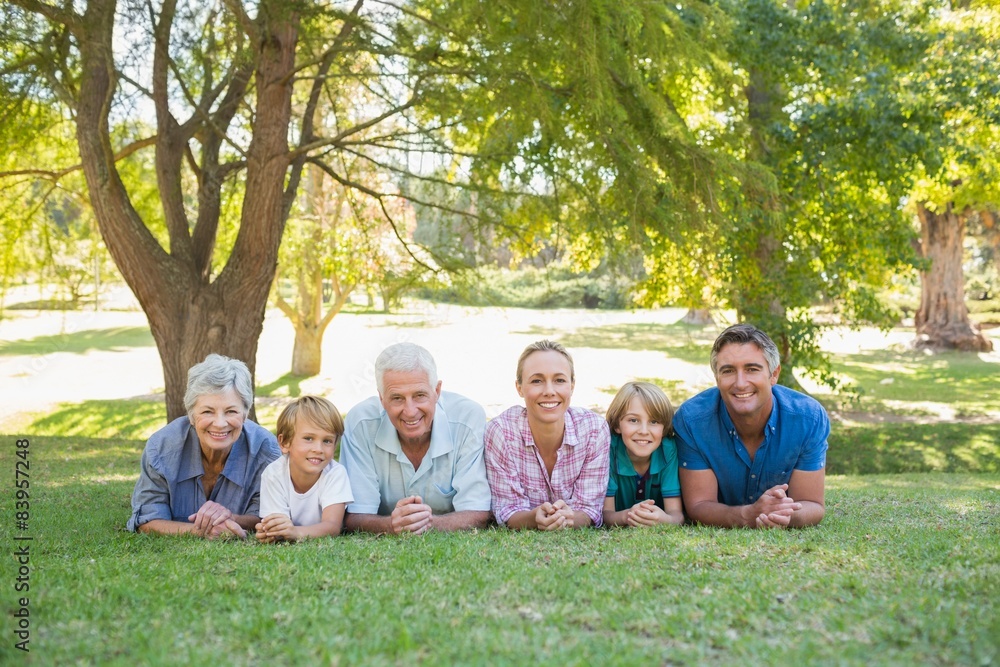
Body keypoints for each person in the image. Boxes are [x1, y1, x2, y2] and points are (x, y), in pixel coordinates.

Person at [674, 324, 828, 529]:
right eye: (728, 371)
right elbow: (699, 506)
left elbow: (813, 504)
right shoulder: (692, 421)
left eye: (752, 369)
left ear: (774, 374)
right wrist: (748, 516)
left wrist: (782, 516)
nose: (740, 383)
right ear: (717, 378)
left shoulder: (808, 418)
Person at [339, 342, 491, 534]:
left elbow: (478, 511)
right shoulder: (360, 422)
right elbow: (355, 515)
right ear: (381, 398)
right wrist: (391, 525)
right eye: (397, 398)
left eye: (420, 395)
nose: (410, 412)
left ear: (436, 391)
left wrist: (424, 524)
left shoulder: (467, 418)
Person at [127, 354, 280, 538]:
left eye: (231, 411)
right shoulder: (161, 448)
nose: (220, 423)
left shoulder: (266, 450)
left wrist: (231, 518)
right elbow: (147, 519)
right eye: (208, 411)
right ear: (192, 415)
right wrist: (201, 531)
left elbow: (267, 516)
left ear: (245, 414)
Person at [485, 340, 610, 530]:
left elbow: (590, 509)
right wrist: (534, 518)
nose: (549, 391)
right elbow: (507, 509)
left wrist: (569, 518)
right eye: (537, 380)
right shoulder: (501, 432)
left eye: (559, 380)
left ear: (572, 386)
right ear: (519, 387)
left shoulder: (594, 430)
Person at [255, 396, 353, 542]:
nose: (318, 449)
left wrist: (295, 533)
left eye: (327, 441)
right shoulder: (273, 473)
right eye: (308, 438)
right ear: (284, 443)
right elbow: (276, 523)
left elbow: (332, 527)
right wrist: (271, 531)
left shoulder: (335, 474)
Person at [602, 382, 684, 528]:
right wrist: (628, 516)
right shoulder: (608, 450)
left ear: (664, 427)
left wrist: (664, 519)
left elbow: (676, 514)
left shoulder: (668, 451)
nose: (644, 431)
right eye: (633, 420)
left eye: (654, 421)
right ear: (616, 425)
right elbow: (605, 514)